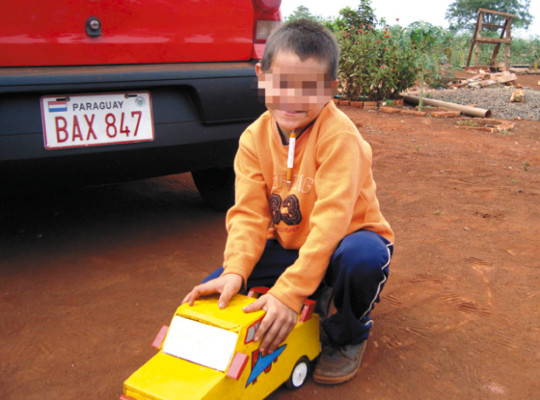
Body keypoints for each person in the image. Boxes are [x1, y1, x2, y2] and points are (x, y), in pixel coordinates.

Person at [182, 19, 394, 385]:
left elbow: (331, 222)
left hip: (344, 242)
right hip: (290, 246)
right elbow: (248, 215)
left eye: (309, 87)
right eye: (281, 83)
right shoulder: (253, 139)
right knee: (218, 292)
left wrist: (288, 293)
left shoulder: (341, 138)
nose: (293, 98)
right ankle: (315, 286)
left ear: (330, 89)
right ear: (261, 76)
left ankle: (346, 334)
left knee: (362, 258)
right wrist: (235, 270)